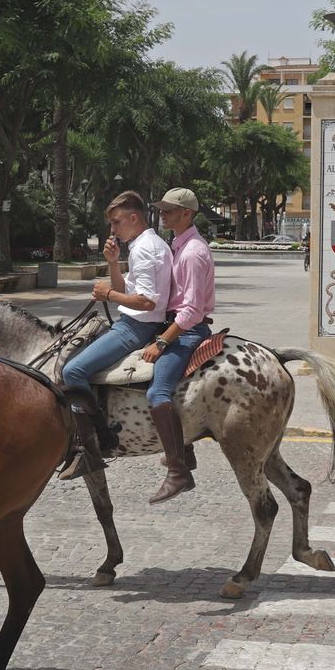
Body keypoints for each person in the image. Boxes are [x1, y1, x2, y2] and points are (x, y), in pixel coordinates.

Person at [59, 191, 172, 479]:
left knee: (73, 371)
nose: (112, 229)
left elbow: (147, 301)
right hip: (136, 323)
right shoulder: (149, 244)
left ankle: (94, 444)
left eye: (116, 222)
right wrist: (112, 263)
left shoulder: (144, 249)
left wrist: (107, 294)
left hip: (136, 327)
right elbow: (128, 290)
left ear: (133, 218)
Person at [143, 187, 216, 504]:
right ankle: (185, 449)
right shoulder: (178, 244)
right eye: (161, 209)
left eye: (169, 210)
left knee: (157, 392)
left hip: (187, 330)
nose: (163, 214)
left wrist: (162, 341)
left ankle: (178, 470)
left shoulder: (192, 253)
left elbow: (192, 310)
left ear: (187, 213)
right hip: (173, 323)